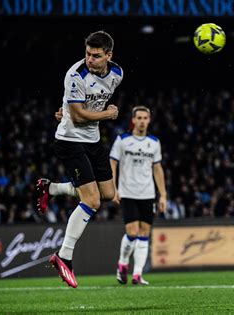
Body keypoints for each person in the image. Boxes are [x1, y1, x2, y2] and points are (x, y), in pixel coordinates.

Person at [36, 31, 123, 288]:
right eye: (87, 54)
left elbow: (88, 106)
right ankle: (64, 256)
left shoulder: (117, 73)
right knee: (92, 200)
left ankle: (50, 188)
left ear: (109, 55)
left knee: (108, 194)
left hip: (93, 141)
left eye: (96, 56)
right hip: (70, 140)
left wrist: (72, 109)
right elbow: (78, 117)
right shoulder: (75, 75)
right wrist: (107, 114)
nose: (90, 59)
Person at [109, 106, 167, 285]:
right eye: (139, 118)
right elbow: (112, 163)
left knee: (145, 233)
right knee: (132, 232)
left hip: (148, 193)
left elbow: (157, 169)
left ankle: (137, 274)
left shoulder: (154, 142)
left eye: (145, 118)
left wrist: (163, 195)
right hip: (127, 192)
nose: (142, 121)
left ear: (149, 120)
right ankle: (123, 263)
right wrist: (113, 188)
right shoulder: (122, 140)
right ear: (133, 120)